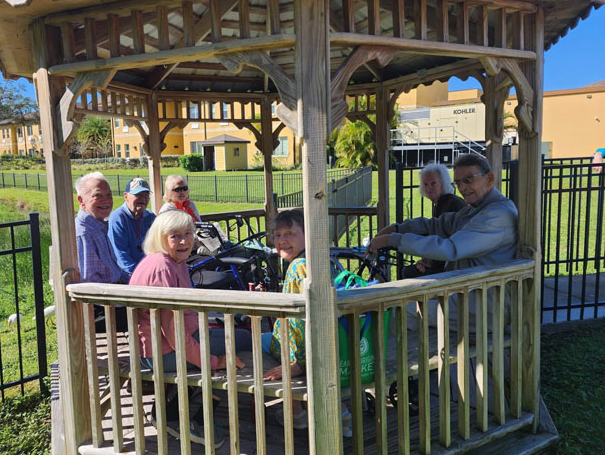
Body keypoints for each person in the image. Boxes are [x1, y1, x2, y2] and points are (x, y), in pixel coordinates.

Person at [129, 210, 251, 447]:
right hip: (160, 355)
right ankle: (198, 420)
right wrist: (214, 361)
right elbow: (173, 333)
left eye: (188, 234)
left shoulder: (172, 261)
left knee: (239, 338)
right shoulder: (162, 268)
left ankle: (169, 411)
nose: (184, 241)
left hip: (166, 346)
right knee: (244, 343)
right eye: (175, 236)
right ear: (160, 237)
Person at [261, 209, 352, 435]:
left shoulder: (298, 267)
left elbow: (304, 321)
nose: (282, 240)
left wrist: (298, 363)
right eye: (278, 234)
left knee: (251, 344)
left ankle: (295, 413)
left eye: (290, 233)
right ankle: (341, 417)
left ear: (307, 235)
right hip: (324, 342)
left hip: (300, 348)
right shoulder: (318, 259)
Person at [367, 153, 517, 271]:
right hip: (464, 288)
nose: (462, 188)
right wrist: (397, 228)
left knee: (400, 306)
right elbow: (437, 225)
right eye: (458, 182)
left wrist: (392, 240)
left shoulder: (497, 214)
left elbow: (450, 248)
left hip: (481, 300)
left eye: (469, 179)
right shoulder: (473, 209)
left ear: (489, 179)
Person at [75, 172, 129, 331]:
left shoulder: (100, 226)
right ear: (81, 200)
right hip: (104, 309)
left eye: (109, 195)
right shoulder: (84, 233)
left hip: (117, 298)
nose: (106, 201)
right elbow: (90, 288)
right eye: (98, 196)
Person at [402, 163, 466, 279]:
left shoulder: (449, 203)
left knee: (408, 273)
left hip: (456, 266)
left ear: (442, 184)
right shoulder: (443, 202)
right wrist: (427, 260)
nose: (428, 188)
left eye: (433, 183)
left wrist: (428, 261)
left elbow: (443, 240)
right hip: (450, 260)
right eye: (425, 184)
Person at [108, 177, 156, 277]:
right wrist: (141, 276)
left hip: (149, 270)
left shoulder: (150, 217)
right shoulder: (118, 218)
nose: (143, 199)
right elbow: (121, 256)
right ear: (125, 196)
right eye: (138, 195)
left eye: (146, 195)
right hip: (128, 275)